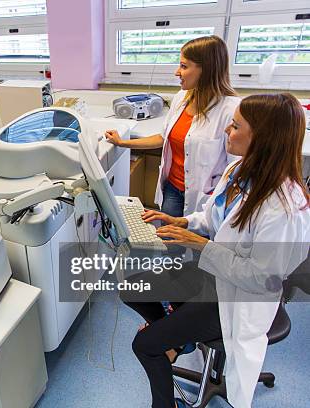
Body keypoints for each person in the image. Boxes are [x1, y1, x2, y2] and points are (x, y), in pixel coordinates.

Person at [132, 93, 310, 408]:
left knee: (145, 344)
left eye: (236, 126)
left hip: (239, 299)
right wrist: (183, 220)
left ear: (262, 138)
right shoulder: (238, 171)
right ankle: (180, 339)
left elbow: (263, 278)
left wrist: (204, 246)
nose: (227, 130)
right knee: (132, 286)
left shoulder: (284, 208)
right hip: (213, 276)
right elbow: (217, 217)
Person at [105, 35, 240, 217]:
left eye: (184, 66)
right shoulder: (181, 98)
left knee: (197, 241)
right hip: (172, 190)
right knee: (170, 239)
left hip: (206, 197)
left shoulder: (231, 110)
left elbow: (237, 166)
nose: (177, 72)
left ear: (206, 70)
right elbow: (162, 138)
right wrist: (122, 143)